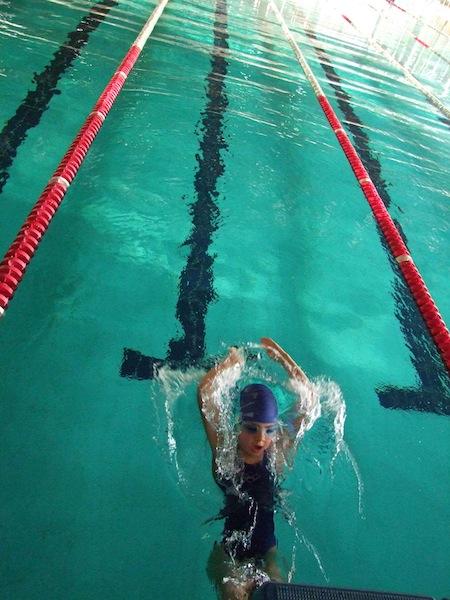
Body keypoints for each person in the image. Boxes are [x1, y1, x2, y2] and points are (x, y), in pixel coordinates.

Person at [198, 337, 311, 600]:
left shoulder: (276, 455)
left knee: (277, 594)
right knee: (234, 595)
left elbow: (308, 399)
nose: (261, 439)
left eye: (269, 430)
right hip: (228, 553)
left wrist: (282, 357)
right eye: (251, 429)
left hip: (268, 552)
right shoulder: (225, 454)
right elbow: (205, 394)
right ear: (237, 425)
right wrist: (231, 362)